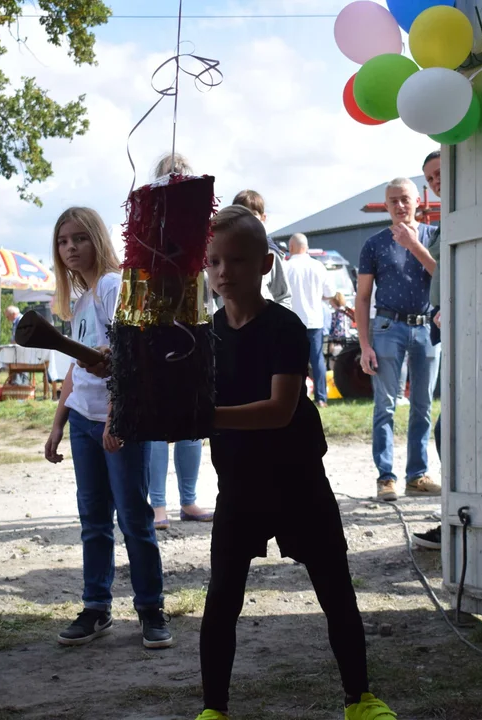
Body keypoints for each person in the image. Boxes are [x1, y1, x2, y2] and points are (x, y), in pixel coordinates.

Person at [193, 206, 396, 720]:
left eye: (235, 260)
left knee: (335, 589)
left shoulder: (285, 327)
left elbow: (280, 410)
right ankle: (214, 709)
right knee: (221, 601)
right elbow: (173, 392)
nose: (222, 272)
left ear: (265, 264)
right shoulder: (204, 338)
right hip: (237, 484)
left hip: (298, 480)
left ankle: (361, 699)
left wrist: (202, 416)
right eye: (213, 261)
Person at [42, 206, 172, 649]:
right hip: (82, 421)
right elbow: (76, 372)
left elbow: (132, 357)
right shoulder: (80, 299)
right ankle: (96, 608)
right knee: (93, 520)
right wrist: (58, 423)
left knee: (134, 517)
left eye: (79, 238)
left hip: (121, 422)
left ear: (97, 238)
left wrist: (116, 415)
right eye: (63, 241)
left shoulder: (114, 286)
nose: (71, 248)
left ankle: (151, 609)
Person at [356, 177, 441, 503]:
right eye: (393, 201)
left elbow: (443, 274)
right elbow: (362, 298)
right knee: (385, 406)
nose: (400, 206)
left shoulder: (433, 236)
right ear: (387, 205)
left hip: (426, 328)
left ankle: (417, 476)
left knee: (422, 406)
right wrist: (364, 345)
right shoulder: (374, 244)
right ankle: (386, 478)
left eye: (405, 199)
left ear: (417, 201)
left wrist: (414, 245)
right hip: (388, 327)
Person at [145, 152, 212, 531]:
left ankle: (188, 499)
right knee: (156, 420)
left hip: (196, 323)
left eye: (181, 177)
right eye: (170, 177)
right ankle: (157, 504)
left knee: (192, 418)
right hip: (157, 324)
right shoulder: (147, 225)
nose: (176, 181)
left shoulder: (202, 224)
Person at [413, 150, 444, 551]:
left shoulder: (466, 209)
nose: (435, 181)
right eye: (430, 177)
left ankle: (455, 517)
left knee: (443, 427)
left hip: (465, 333)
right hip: (444, 330)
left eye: (439, 173)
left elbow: (443, 268)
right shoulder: (445, 215)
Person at [283, 232, 334, 407]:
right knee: (317, 359)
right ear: (306, 247)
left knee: (293, 361)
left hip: (292, 321)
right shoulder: (318, 266)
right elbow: (330, 293)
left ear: (291, 248)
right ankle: (321, 398)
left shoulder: (286, 267)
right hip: (314, 320)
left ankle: (296, 397)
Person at [230, 189, 292, 309]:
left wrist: (277, 324)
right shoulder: (222, 249)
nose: (246, 218)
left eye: (252, 213)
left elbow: (283, 296)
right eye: (241, 213)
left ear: (263, 217)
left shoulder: (270, 252)